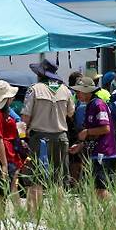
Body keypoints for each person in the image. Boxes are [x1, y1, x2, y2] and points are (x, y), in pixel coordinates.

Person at [21, 59, 74, 212]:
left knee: (36, 177)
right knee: (60, 178)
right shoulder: (65, 90)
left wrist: (24, 137)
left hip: (39, 139)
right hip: (61, 137)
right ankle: (59, 214)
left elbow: (25, 117)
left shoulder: (34, 89)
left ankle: (33, 215)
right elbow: (71, 112)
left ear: (39, 74)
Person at [69, 77, 116, 199]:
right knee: (96, 188)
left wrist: (86, 132)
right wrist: (81, 146)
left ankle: (114, 212)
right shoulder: (90, 105)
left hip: (103, 152)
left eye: (79, 91)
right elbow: (93, 136)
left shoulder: (98, 104)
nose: (77, 94)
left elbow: (106, 128)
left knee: (101, 189)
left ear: (88, 91)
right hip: (96, 151)